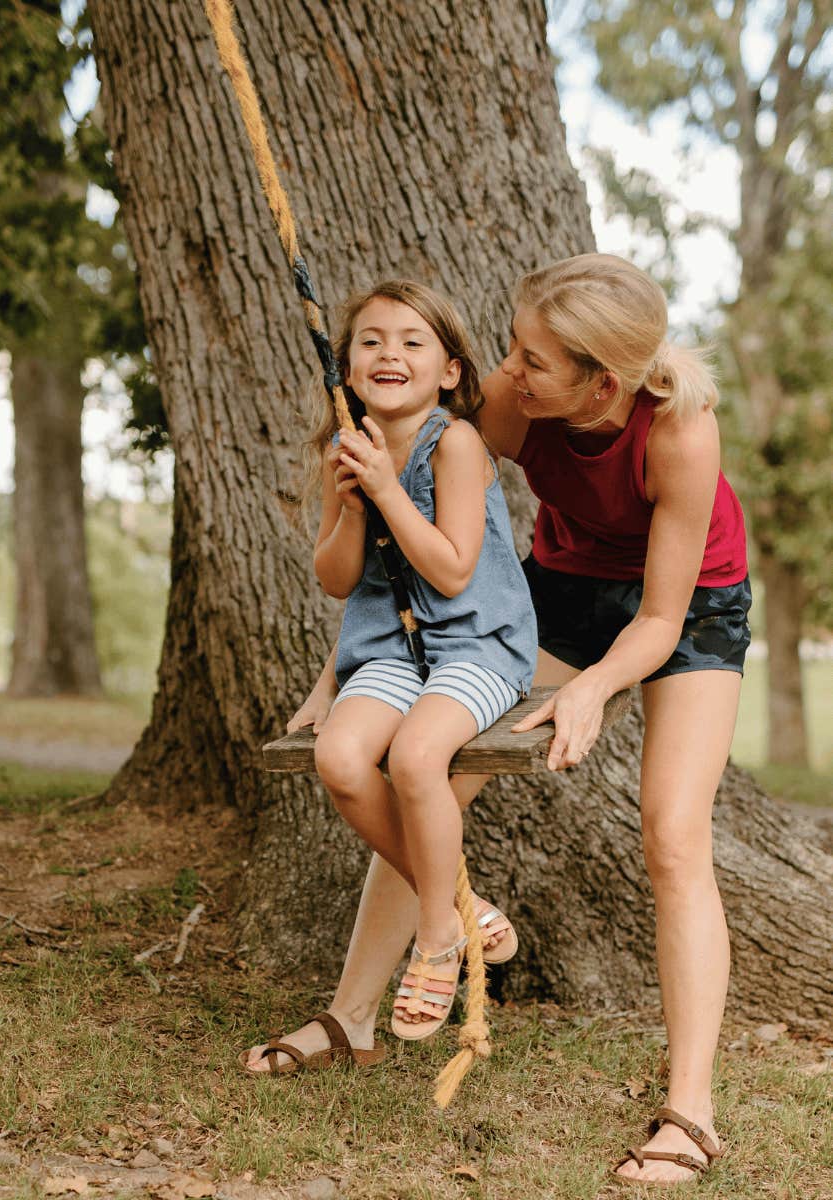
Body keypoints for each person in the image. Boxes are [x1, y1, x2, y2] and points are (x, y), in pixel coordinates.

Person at [242, 255, 750, 1188]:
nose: (506, 371)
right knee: (429, 772)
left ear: (603, 381)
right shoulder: (511, 406)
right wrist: (336, 675)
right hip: (557, 592)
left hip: (685, 610)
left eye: (533, 358)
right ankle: (356, 1016)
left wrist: (594, 688)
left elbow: (660, 622)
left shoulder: (677, 431)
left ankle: (690, 1111)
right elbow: (398, 558)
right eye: (513, 348)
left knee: (673, 836)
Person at [246, 279, 536, 1055]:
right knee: (341, 758)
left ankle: (437, 936)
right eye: (371, 341)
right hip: (387, 650)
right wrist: (352, 495)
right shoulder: (350, 446)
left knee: (415, 758)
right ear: (346, 365)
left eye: (412, 341)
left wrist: (385, 488)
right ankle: (462, 910)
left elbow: (450, 569)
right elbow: (338, 578)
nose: (390, 354)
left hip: (477, 644)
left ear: (448, 369)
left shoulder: (458, 444)